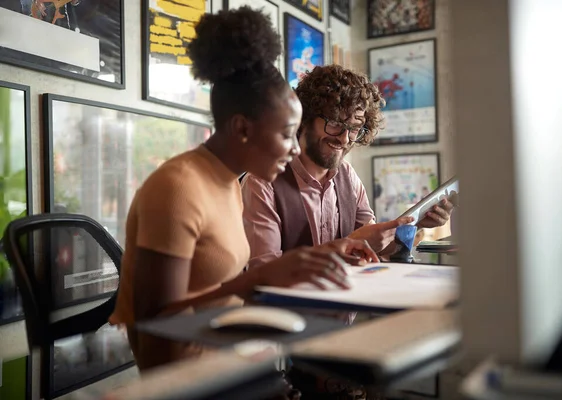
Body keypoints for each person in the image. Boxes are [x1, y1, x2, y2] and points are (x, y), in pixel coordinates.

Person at [108, 8, 378, 373]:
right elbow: (155, 327)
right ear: (242, 128)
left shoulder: (225, 184)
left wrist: (330, 250)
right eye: (286, 134)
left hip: (235, 363)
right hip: (190, 380)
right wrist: (257, 279)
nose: (296, 148)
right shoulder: (177, 188)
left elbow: (220, 296)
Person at [241, 64, 454, 269]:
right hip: (288, 307)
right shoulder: (262, 182)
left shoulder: (348, 176)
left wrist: (417, 224)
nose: (344, 139)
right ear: (304, 119)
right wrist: (348, 244)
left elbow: (377, 249)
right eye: (334, 123)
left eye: (354, 129)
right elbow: (264, 272)